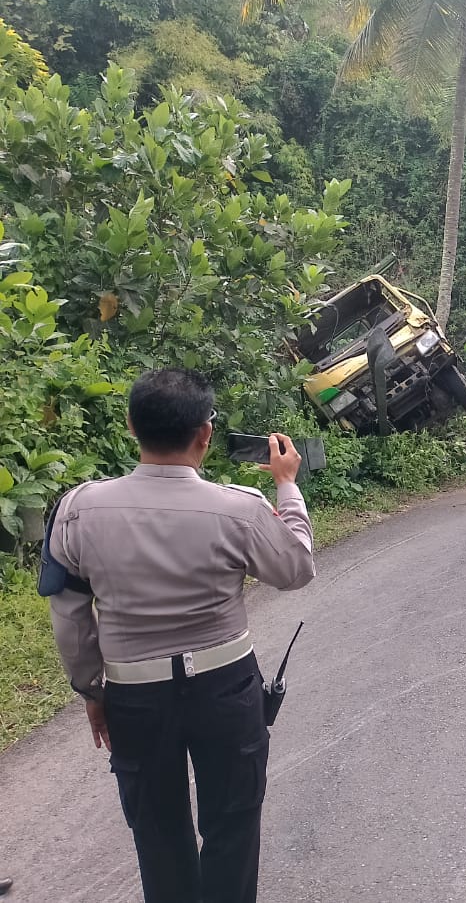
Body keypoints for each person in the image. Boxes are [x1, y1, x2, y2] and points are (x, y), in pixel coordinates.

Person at [45, 368, 316, 903]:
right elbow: (296, 568)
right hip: (226, 689)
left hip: (134, 695)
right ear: (206, 434)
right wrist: (286, 486)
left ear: (130, 427)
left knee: (157, 830)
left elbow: (71, 616)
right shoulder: (240, 507)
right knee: (233, 822)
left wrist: (93, 692)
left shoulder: (78, 510)